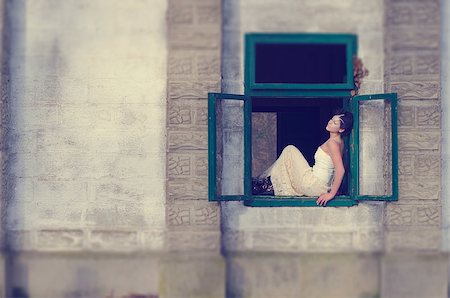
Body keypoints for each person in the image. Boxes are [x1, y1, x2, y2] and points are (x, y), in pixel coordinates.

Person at [252, 109, 353, 207]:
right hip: (321, 185)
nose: (330, 122)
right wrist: (333, 188)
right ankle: (266, 183)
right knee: (289, 156)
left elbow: (340, 169)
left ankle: (264, 183)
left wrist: (331, 194)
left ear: (341, 129)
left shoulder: (332, 143)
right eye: (332, 119)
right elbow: (336, 167)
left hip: (315, 184)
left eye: (335, 123)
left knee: (290, 150)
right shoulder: (340, 143)